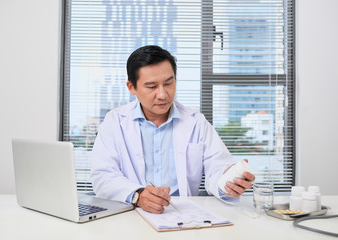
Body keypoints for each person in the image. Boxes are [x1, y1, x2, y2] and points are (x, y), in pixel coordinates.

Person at [90, 45, 255, 214]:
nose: (162, 94)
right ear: (132, 87)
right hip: (132, 213)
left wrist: (228, 182)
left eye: (169, 83)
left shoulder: (196, 122)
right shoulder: (114, 121)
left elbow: (218, 168)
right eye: (152, 86)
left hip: (183, 214)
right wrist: (138, 195)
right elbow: (102, 176)